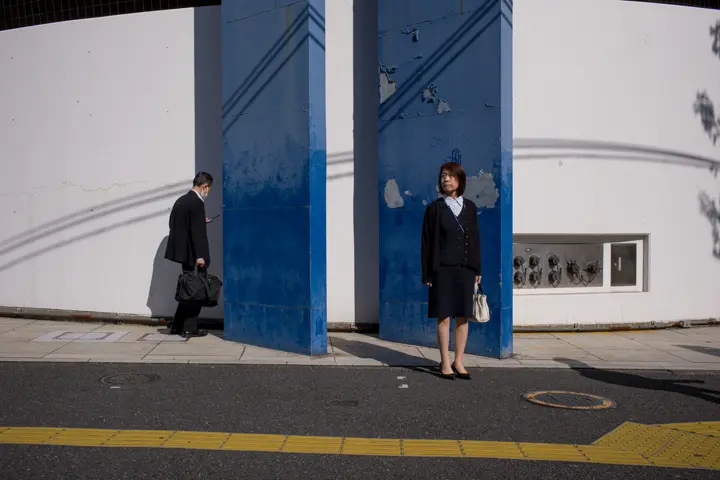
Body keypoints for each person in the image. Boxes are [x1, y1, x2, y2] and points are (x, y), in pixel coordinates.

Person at [421, 162, 481, 380]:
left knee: (463, 317)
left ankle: (459, 361)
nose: (446, 179)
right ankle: (445, 362)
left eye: (450, 176)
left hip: (465, 269)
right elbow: (427, 243)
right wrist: (428, 273)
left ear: (460, 180)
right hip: (442, 270)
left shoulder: (471, 207)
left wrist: (476, 267)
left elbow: (475, 239)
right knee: (443, 317)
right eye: (443, 176)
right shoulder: (434, 208)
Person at [164, 172, 214, 338]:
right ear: (204, 186)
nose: (207, 193)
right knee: (196, 291)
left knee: (189, 289)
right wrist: (200, 256)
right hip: (194, 255)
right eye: (208, 189)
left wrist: (201, 221)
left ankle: (177, 326)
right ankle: (189, 328)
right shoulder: (197, 202)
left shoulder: (181, 200)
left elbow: (175, 223)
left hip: (184, 254)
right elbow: (196, 233)